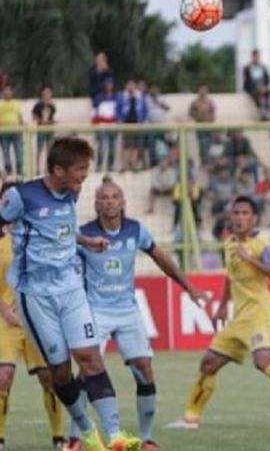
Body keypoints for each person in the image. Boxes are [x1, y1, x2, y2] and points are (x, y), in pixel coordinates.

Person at [0, 137, 141, 451]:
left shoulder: (72, 193)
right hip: (35, 295)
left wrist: (84, 241)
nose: (84, 176)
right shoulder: (20, 197)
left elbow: (58, 229)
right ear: (58, 170)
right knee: (59, 371)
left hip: (71, 289)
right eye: (79, 169)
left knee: (90, 358)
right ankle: (87, 432)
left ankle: (115, 435)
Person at [68, 180, 207, 451]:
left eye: (114, 197)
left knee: (144, 369)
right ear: (96, 204)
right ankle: (76, 438)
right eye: (104, 198)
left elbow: (161, 258)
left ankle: (146, 438)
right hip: (95, 311)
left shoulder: (136, 230)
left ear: (123, 202)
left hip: (128, 311)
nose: (109, 201)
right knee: (86, 372)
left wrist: (189, 287)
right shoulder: (84, 235)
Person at [167, 196, 270, 429]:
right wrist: (221, 306)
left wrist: (251, 259)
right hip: (238, 317)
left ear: (254, 218)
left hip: (259, 313)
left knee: (263, 361)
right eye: (235, 213)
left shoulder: (262, 244)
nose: (239, 218)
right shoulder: (229, 244)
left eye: (244, 213)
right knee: (208, 363)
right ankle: (190, 418)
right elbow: (231, 276)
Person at [0, 181, 65, 451]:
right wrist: (5, 310)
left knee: (49, 378)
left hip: (37, 320)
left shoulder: (42, 237)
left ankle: (59, 437)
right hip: (6, 321)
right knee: (3, 377)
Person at [116, 80, 149, 172]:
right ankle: (125, 165)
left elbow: (145, 110)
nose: (131, 87)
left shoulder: (140, 96)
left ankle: (133, 165)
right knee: (126, 145)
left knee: (135, 145)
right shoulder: (122, 96)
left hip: (137, 123)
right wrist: (119, 120)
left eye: (132, 85)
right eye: (129, 85)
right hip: (126, 123)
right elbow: (118, 109)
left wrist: (143, 120)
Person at [92, 79, 119, 172]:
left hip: (113, 125)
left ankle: (110, 166)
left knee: (112, 147)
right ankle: (99, 166)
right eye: (107, 84)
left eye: (110, 84)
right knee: (102, 147)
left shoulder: (116, 97)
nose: (109, 86)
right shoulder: (99, 97)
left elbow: (118, 112)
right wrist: (95, 124)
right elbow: (95, 112)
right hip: (102, 125)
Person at [189, 84, 216, 166]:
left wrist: (210, 119)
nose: (203, 92)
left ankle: (208, 161)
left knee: (208, 144)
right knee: (202, 144)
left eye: (205, 90)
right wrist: (198, 116)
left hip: (209, 126)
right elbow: (191, 113)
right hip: (200, 126)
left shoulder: (209, 102)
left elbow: (213, 113)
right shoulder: (195, 102)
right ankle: (204, 162)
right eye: (201, 90)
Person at [32, 85, 57, 174]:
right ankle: (38, 168)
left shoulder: (52, 105)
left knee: (49, 149)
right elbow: (34, 116)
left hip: (49, 129)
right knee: (39, 148)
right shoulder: (38, 105)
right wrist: (41, 121)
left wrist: (52, 122)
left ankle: (48, 168)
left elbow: (52, 117)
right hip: (41, 129)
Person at [0, 85, 23, 176]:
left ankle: (19, 171)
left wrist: (22, 126)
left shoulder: (16, 104)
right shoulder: (1, 104)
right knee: (5, 152)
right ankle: (8, 170)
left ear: (12, 93)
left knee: (19, 151)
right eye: (5, 91)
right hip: (4, 132)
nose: (7, 93)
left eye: (9, 91)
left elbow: (20, 117)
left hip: (16, 131)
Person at [243, 49, 270, 120]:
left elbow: (267, 79)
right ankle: (261, 112)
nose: (256, 58)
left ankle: (266, 111)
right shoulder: (247, 68)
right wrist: (257, 87)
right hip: (252, 87)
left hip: (262, 86)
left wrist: (264, 86)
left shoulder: (263, 67)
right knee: (256, 95)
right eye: (254, 57)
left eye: (257, 56)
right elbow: (248, 81)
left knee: (268, 93)